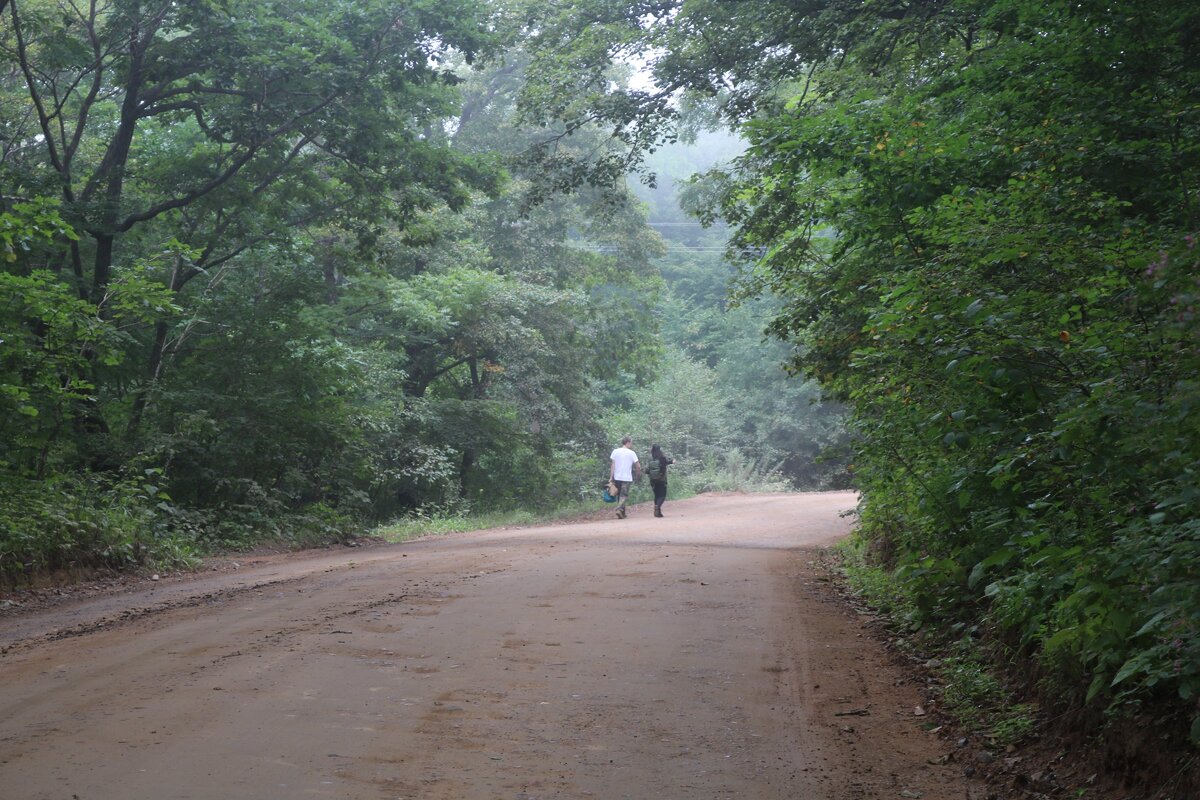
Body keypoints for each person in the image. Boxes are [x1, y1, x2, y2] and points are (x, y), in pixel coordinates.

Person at [609, 436, 640, 519]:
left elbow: (613, 465)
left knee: (619, 495)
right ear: (628, 442)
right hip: (626, 477)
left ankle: (623, 513)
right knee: (624, 495)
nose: (632, 444)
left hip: (617, 476)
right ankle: (619, 509)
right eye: (631, 443)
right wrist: (638, 474)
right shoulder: (631, 453)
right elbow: (638, 466)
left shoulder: (615, 451)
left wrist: (611, 477)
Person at [646, 444, 675, 517]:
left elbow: (646, 470)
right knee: (662, 495)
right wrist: (673, 461)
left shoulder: (650, 459)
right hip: (662, 480)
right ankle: (657, 506)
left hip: (652, 480)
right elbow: (668, 461)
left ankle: (658, 512)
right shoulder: (662, 458)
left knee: (656, 495)